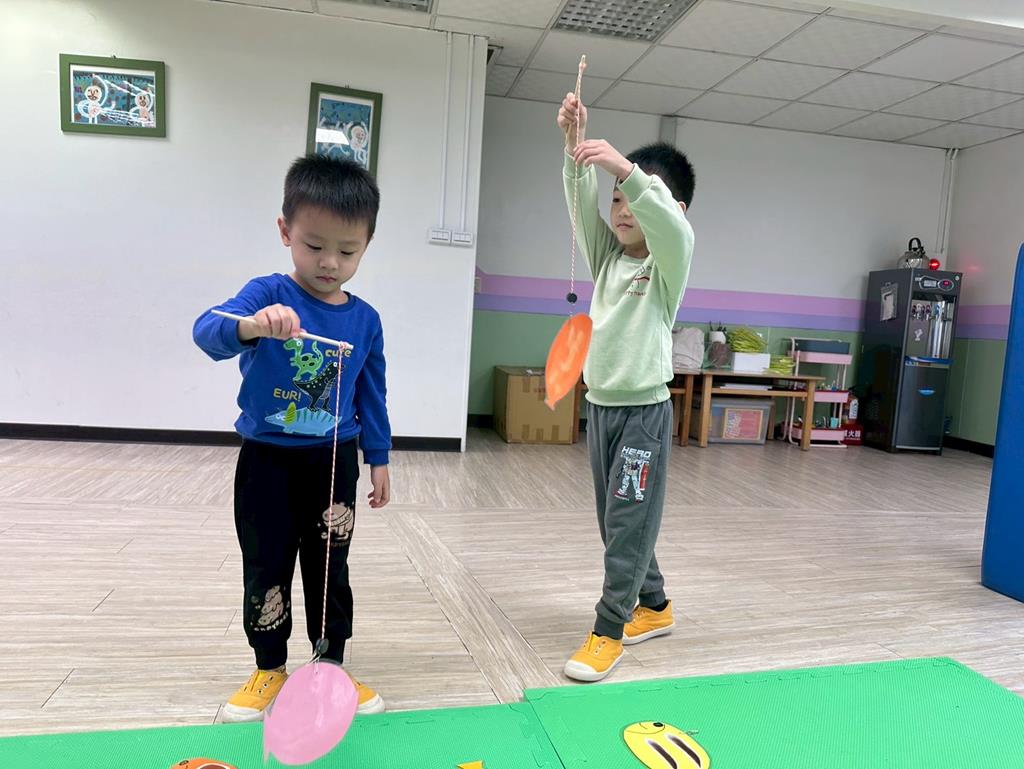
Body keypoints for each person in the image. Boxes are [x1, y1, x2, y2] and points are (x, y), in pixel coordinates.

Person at [193, 154, 391, 720]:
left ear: (367, 244)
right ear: (286, 232)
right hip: (266, 462)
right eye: (314, 245)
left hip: (333, 463)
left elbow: (372, 393)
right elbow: (207, 331)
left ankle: (330, 665)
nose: (329, 262)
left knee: (330, 567)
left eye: (347, 251)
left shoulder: (365, 320)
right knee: (266, 563)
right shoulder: (266, 293)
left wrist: (378, 457)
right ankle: (269, 667)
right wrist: (252, 326)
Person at [556, 92, 696, 682]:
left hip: (643, 414)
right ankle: (654, 604)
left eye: (632, 198)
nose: (620, 207)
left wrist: (628, 171)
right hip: (602, 409)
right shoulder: (608, 260)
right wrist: (575, 146)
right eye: (615, 197)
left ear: (669, 208)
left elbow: (673, 230)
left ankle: (609, 627)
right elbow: (578, 204)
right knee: (620, 519)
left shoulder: (666, 266)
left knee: (625, 522)